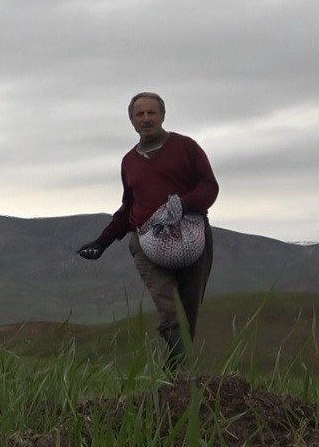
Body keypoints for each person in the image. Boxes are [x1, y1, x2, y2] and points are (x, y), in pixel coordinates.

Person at [77, 92, 218, 369]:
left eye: (151, 113)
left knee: (188, 314)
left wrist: (183, 203)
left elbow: (209, 186)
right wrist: (101, 242)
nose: (146, 119)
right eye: (139, 114)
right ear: (131, 120)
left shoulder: (186, 147)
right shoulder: (129, 161)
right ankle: (180, 375)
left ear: (162, 116)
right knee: (169, 311)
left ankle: (178, 377)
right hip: (147, 242)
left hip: (192, 236)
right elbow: (128, 208)